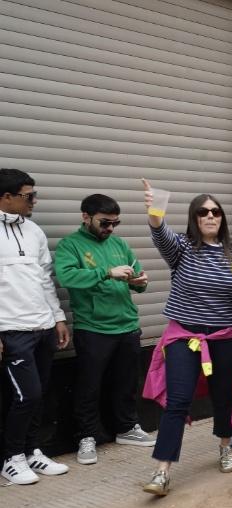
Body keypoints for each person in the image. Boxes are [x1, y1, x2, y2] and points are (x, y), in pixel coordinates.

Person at [141, 181, 232, 496]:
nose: (210, 216)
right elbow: (158, 229)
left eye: (216, 211)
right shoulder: (182, 247)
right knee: (178, 400)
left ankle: (226, 445)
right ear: (194, 218)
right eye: (203, 212)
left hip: (226, 336)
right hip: (184, 336)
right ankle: (162, 470)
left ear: (222, 217)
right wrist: (155, 207)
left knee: (223, 396)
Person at [54, 194, 155, 466]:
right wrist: (107, 272)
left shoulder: (119, 244)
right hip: (93, 327)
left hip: (127, 325)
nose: (110, 228)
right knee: (89, 386)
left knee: (126, 383)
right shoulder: (70, 245)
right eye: (105, 222)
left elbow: (138, 278)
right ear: (86, 217)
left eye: (115, 223)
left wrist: (139, 281)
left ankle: (127, 428)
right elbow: (67, 277)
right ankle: (87, 436)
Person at [0, 168, 70, 484]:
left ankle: (31, 452)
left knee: (39, 394)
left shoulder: (34, 231)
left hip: (41, 327)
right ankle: (11, 458)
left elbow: (44, 279)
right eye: (29, 196)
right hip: (11, 330)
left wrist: (57, 318)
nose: (34, 201)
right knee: (25, 395)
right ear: (7, 196)